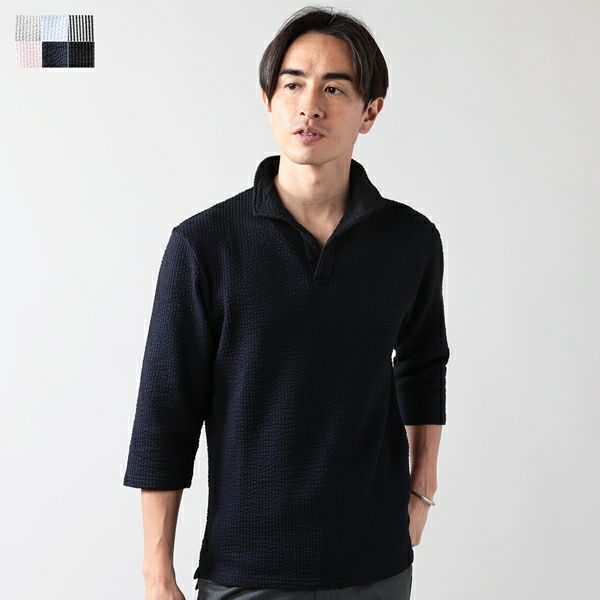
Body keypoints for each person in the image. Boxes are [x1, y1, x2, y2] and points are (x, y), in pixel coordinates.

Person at [123, 6, 450, 600]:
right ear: (268, 102)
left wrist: (421, 487)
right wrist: (156, 571)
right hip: (247, 569)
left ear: (370, 111)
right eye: (293, 85)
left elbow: (424, 363)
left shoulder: (411, 241)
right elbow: (166, 411)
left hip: (376, 563)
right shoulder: (204, 245)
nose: (309, 106)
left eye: (334, 88)